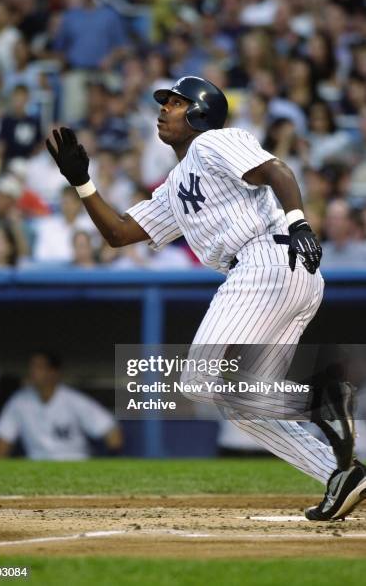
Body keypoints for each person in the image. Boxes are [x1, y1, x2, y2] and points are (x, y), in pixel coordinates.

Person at [46, 76, 366, 521]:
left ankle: (321, 401)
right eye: (164, 103)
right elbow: (119, 234)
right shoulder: (176, 183)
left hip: (266, 259)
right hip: (280, 274)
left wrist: (298, 222)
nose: (163, 110)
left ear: (198, 112)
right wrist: (82, 182)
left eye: (175, 103)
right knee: (242, 404)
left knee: (199, 378)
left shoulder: (214, 142)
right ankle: (341, 473)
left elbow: (277, 170)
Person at [0, 351, 123, 460]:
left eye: (39, 367)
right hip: (36, 465)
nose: (33, 372)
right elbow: (3, 440)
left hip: (75, 462)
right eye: (32, 367)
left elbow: (111, 430)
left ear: (53, 372)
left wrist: (111, 460)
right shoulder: (19, 401)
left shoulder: (73, 400)